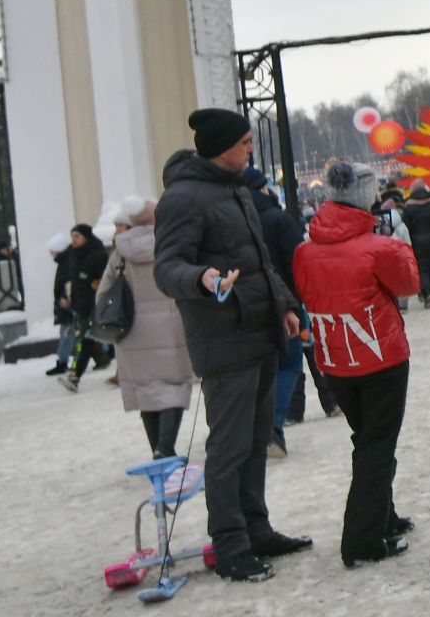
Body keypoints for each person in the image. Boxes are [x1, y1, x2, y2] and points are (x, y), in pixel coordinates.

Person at [153, 108, 311, 584]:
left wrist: (283, 303)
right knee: (229, 446)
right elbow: (166, 268)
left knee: (257, 441)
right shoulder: (182, 199)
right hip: (223, 340)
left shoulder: (236, 190)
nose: (250, 149)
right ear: (222, 146)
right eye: (245, 142)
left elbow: (260, 261)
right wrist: (201, 278)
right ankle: (230, 545)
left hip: (260, 332)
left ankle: (256, 529)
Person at [293, 159, 420, 568]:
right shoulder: (381, 246)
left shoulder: (305, 251)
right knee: (377, 446)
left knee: (367, 439)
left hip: (335, 359)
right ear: (366, 197)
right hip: (381, 357)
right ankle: (362, 541)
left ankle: (383, 517)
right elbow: (409, 286)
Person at [102, 197, 192, 458]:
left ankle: (157, 448)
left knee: (146, 391)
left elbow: (104, 293)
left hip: (132, 331)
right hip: (170, 325)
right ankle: (165, 447)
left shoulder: (119, 253)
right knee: (172, 388)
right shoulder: (170, 245)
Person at [247, 170, 306, 458]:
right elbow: (299, 259)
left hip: (249, 301)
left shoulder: (238, 220)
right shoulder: (278, 218)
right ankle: (272, 426)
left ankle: (258, 429)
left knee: (262, 369)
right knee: (290, 364)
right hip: (285, 300)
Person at [57, 222, 112, 392]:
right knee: (87, 341)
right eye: (72, 236)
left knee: (91, 340)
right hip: (81, 307)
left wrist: (98, 283)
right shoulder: (74, 255)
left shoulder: (97, 254)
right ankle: (77, 375)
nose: (74, 240)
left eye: (77, 236)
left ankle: (75, 376)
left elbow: (107, 276)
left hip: (97, 305)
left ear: (86, 237)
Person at [401, 180, 430, 308]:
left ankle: (427, 292)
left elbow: (407, 227)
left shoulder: (408, 207)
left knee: (422, 268)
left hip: (417, 240)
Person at [44, 231, 73, 376]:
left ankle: (62, 362)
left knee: (67, 333)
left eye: (52, 250)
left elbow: (67, 283)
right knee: (82, 332)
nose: (51, 254)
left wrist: (65, 299)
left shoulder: (65, 263)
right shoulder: (66, 261)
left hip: (67, 304)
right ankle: (104, 354)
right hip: (68, 303)